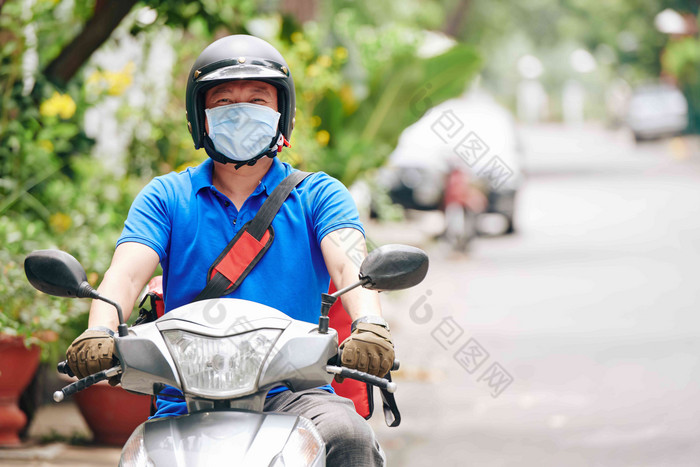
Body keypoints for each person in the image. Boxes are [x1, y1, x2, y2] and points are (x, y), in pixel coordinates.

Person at [65, 34, 394, 465]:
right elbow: (125, 275)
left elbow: (351, 263)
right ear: (199, 118)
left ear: (282, 114)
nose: (241, 111)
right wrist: (101, 330)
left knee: (349, 436)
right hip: (187, 396)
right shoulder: (166, 196)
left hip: (295, 394)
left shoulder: (320, 194)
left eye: (258, 99)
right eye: (223, 101)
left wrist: (370, 324)